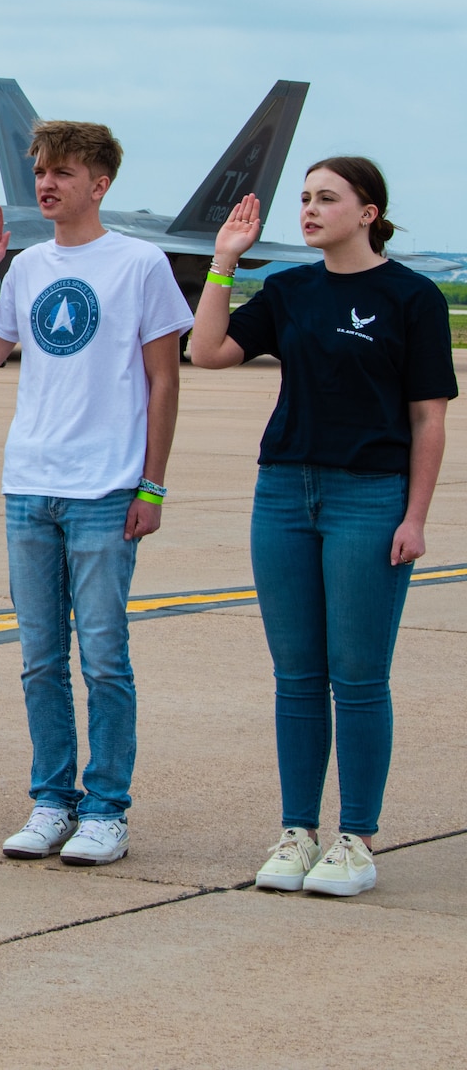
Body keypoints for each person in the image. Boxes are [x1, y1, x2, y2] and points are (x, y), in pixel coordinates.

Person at [188, 162, 453, 897]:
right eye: (303, 198)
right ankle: (297, 830)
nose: (308, 209)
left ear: (368, 212)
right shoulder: (288, 291)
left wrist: (416, 516)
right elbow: (206, 350)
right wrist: (223, 263)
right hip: (283, 490)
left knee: (359, 676)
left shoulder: (412, 296)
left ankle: (356, 839)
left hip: (370, 495)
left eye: (325, 198)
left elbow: (429, 416)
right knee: (297, 675)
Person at [0, 120, 191, 867]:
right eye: (40, 173)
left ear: (101, 183)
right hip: (29, 483)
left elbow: (164, 378)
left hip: (105, 488)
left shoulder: (140, 263)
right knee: (37, 658)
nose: (47, 184)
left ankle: (106, 808)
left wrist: (151, 485)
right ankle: (52, 799)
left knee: (103, 658)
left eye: (62, 172)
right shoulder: (26, 267)